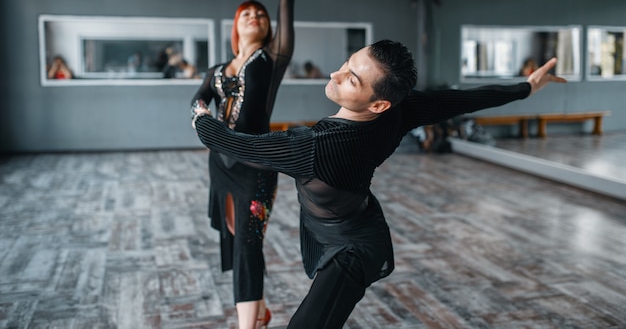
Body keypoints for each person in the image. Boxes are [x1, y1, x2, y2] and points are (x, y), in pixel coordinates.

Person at [192, 39, 566, 328]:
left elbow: (234, 143)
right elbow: (460, 100)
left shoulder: (313, 147)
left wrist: (200, 114)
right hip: (351, 222)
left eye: (352, 80)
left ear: (378, 104)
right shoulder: (399, 111)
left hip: (353, 251)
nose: (336, 75)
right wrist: (525, 88)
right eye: (347, 63)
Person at [190, 0, 335, 329]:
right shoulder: (217, 70)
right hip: (221, 165)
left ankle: (246, 325)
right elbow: (198, 101)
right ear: (236, 25)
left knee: (250, 244)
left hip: (257, 164)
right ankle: (260, 312)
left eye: (260, 14)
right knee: (240, 243)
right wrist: (201, 119)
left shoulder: (272, 58)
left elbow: (286, 1)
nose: (255, 16)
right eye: (246, 14)